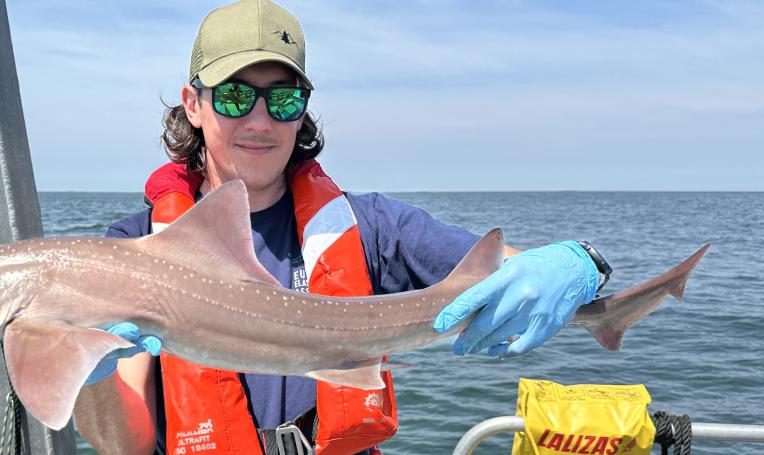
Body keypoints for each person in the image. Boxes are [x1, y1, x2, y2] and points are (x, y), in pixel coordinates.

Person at [72, 1, 610, 454]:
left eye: (283, 100)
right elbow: (125, 444)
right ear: (193, 104)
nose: (260, 122)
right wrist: (89, 367)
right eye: (235, 96)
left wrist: (581, 265)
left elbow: (510, 270)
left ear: (302, 112)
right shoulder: (137, 250)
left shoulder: (371, 227)